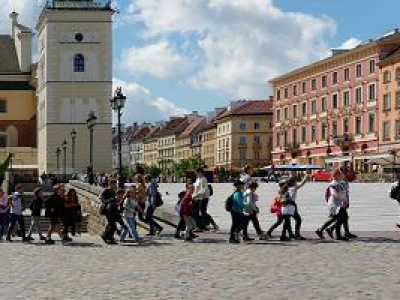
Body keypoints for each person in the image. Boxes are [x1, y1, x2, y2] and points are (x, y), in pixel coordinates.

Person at [316, 168, 349, 240]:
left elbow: (345, 191)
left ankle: (324, 230)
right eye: (340, 174)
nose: (341, 175)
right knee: (338, 218)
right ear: (336, 176)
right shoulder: (333, 184)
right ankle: (330, 230)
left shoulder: (343, 181)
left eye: (341, 174)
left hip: (341, 203)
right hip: (335, 203)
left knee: (340, 218)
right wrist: (343, 199)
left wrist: (346, 200)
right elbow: (333, 194)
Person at [284, 173, 310, 240]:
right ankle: (296, 234)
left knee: (287, 221)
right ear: (293, 182)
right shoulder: (293, 188)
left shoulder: (286, 187)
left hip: (286, 206)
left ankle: (290, 235)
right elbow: (302, 183)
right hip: (291, 206)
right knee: (297, 220)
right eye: (295, 181)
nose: (296, 182)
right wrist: (306, 176)